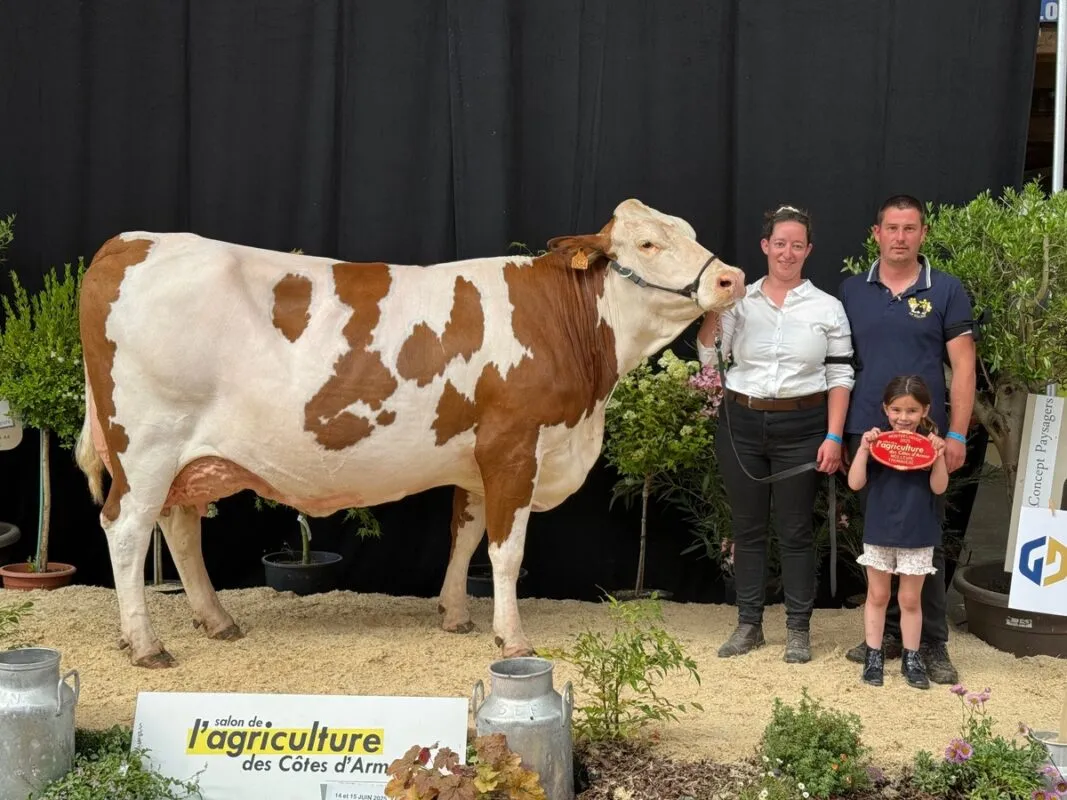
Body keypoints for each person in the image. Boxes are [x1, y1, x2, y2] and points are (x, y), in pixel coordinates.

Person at [696, 204, 854, 664]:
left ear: (809, 250)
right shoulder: (740, 302)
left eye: (797, 245)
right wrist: (716, 306)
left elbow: (840, 376)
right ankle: (749, 625)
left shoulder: (828, 308)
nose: (788, 252)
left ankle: (798, 629)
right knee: (746, 529)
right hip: (741, 422)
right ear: (765, 247)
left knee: (796, 529)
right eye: (779, 243)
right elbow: (710, 358)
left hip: (803, 426)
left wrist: (834, 436)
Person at [839, 194, 976, 684]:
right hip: (868, 433)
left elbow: (963, 367)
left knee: (924, 535)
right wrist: (840, 434)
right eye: (891, 228)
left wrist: (956, 432)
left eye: (910, 228)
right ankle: (887, 635)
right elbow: (838, 364)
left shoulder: (946, 290)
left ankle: (932, 644)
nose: (900, 237)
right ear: (876, 234)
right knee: (877, 532)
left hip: (928, 438)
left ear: (922, 233)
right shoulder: (852, 291)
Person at [847, 375, 949, 689]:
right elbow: (854, 483)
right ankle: (873, 656)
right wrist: (864, 448)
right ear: (885, 409)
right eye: (896, 410)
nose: (903, 418)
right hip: (880, 530)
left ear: (925, 411)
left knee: (909, 599)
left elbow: (939, 487)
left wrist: (939, 456)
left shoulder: (930, 446)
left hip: (917, 532)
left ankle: (912, 657)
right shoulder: (878, 444)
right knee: (877, 596)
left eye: (912, 411)